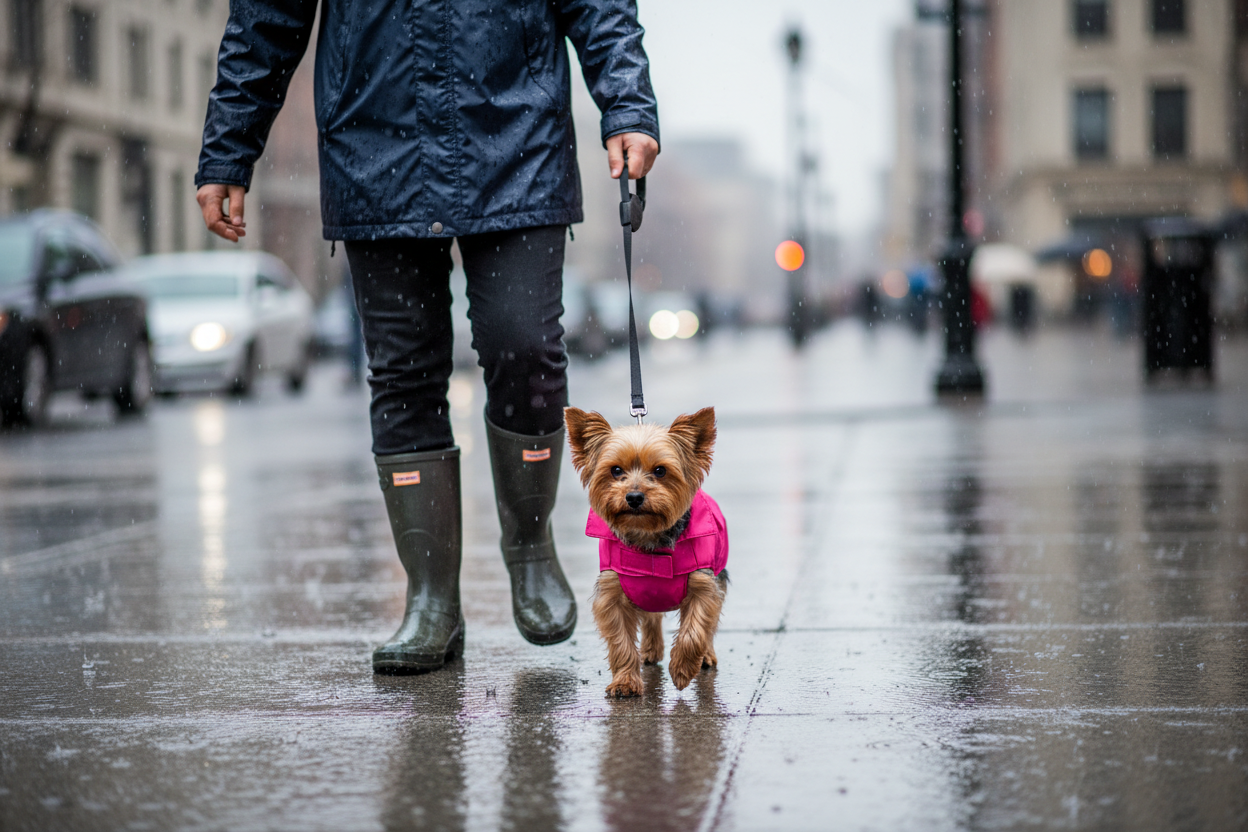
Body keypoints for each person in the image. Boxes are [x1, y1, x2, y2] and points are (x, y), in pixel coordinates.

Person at [195, 0, 660, 674]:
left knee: (523, 347)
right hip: (375, 138)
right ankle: (432, 596)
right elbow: (265, 17)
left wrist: (627, 106)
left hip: (517, 130)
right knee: (403, 372)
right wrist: (229, 148)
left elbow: (601, 6)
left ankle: (530, 549)